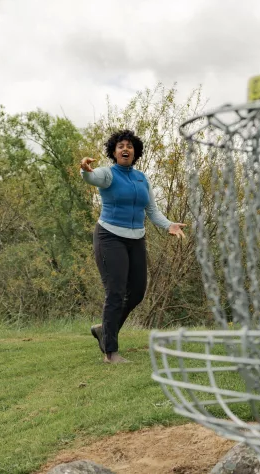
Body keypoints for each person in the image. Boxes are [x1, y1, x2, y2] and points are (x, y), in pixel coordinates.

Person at [79, 129, 187, 364]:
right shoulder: (107, 174)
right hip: (109, 237)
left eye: (129, 146)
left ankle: (104, 329)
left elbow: (151, 211)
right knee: (115, 291)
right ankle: (111, 352)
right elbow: (91, 177)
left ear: (135, 151)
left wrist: (169, 225)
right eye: (120, 146)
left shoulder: (141, 179)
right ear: (114, 152)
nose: (125, 149)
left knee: (136, 292)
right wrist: (84, 170)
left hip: (136, 238)